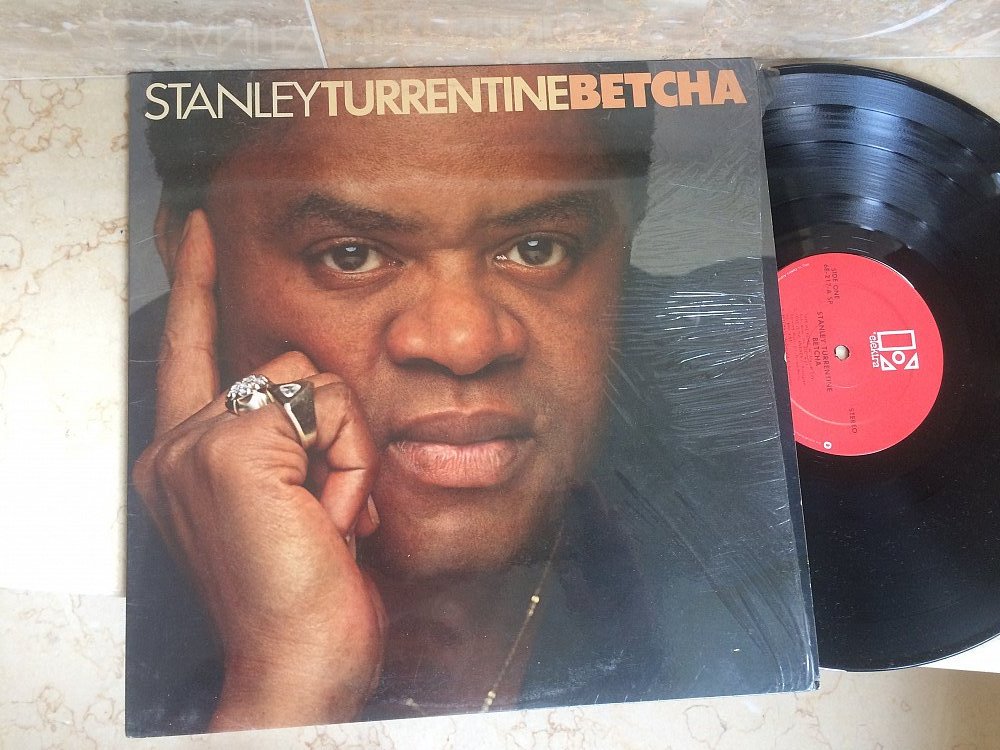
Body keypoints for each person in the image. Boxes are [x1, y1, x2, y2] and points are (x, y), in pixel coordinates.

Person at [126, 63, 816, 737]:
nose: (465, 343)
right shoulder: (77, 526)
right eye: (351, 256)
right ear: (189, 253)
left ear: (624, 235)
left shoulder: (774, 457)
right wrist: (287, 683)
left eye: (538, 248)